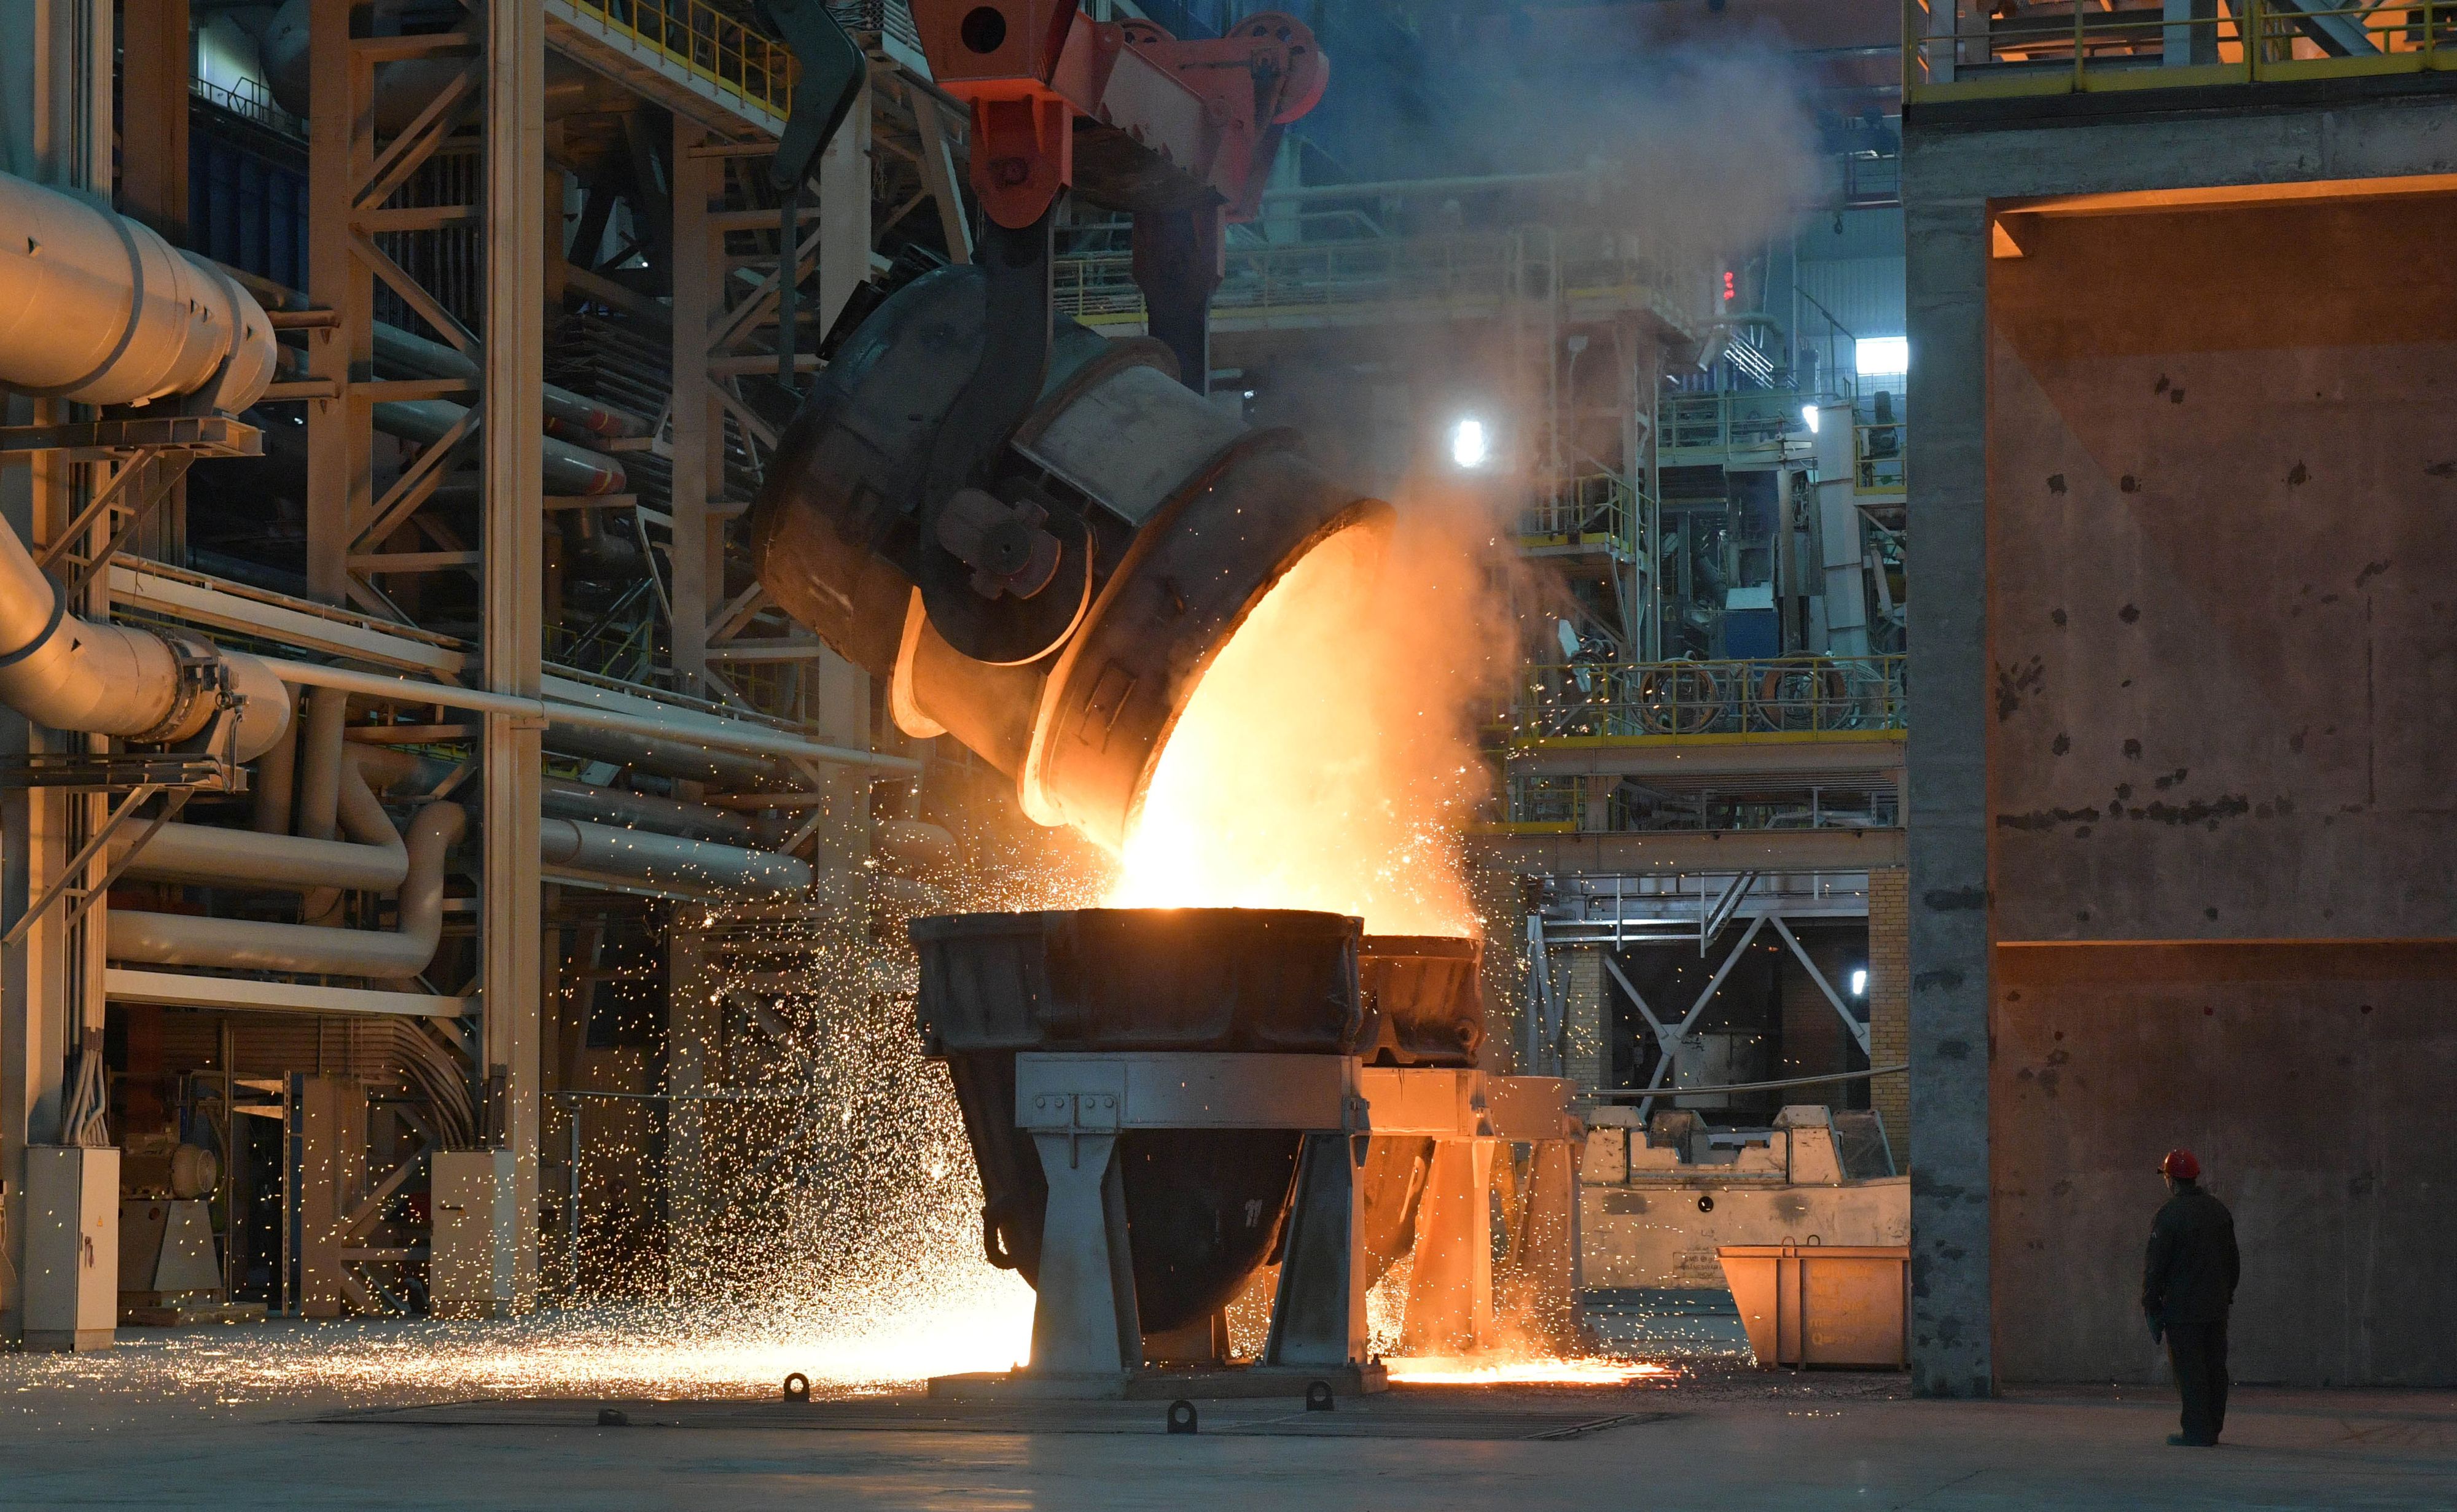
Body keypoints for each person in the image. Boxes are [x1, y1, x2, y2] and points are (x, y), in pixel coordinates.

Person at [2142, 1148, 2240, 1446]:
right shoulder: (2219, 1211)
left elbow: (2156, 1266)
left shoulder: (2168, 1216)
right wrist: (2225, 1295)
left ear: (2171, 1180)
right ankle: (2213, 1427)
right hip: (2216, 1307)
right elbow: (2233, 1262)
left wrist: (2151, 1305)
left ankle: (2197, 1432)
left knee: (2190, 1370)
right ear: (2195, 1177)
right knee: (2214, 1367)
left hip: (2183, 1310)